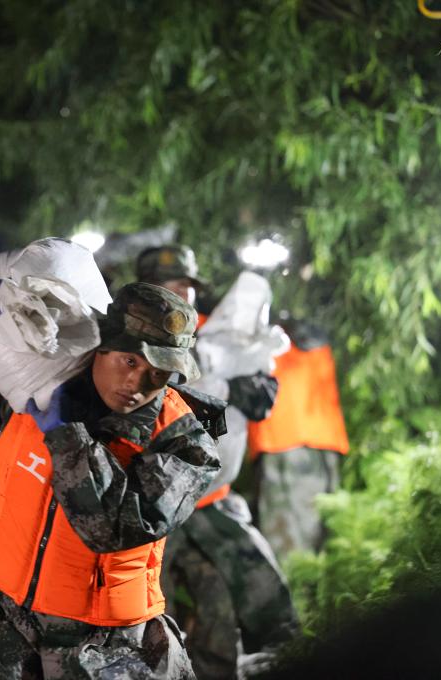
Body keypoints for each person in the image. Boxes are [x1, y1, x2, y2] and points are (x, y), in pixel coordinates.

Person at [0, 280, 221, 679]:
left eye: (158, 372)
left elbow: (110, 527)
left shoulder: (185, 444)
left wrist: (65, 434)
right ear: (101, 345)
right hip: (3, 621)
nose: (137, 385)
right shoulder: (38, 382)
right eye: (130, 361)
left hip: (101, 644)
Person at [136, 245, 299, 679]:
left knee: (234, 607)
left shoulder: (214, 334)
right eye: (171, 285)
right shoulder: (126, 341)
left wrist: (240, 384)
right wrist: (218, 385)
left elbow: (258, 391)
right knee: (148, 617)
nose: (182, 293)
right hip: (152, 511)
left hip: (212, 503)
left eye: (187, 285)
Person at [248, 318, 349, 562]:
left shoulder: (266, 328)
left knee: (289, 546)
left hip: (286, 440)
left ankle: (295, 584)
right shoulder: (308, 326)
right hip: (320, 438)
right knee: (322, 539)